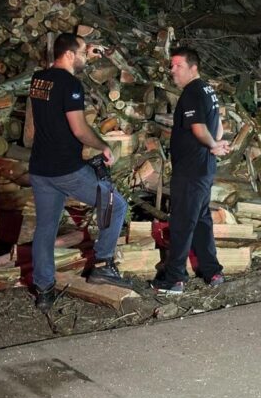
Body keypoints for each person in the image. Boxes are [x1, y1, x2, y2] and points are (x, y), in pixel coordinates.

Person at [28, 33, 131, 314]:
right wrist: (103, 145)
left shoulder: (39, 79)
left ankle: (44, 291)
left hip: (40, 169)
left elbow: (36, 125)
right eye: (84, 53)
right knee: (114, 204)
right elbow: (79, 129)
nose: (87, 57)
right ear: (70, 55)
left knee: (46, 229)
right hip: (66, 170)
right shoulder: (71, 84)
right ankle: (102, 264)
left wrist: (92, 50)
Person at [150, 47, 230, 295]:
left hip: (191, 169)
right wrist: (215, 145)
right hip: (203, 166)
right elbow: (215, 125)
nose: (172, 70)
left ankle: (174, 279)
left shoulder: (192, 93)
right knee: (201, 220)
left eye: (178, 66)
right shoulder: (207, 89)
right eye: (172, 65)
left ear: (193, 67)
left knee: (183, 222)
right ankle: (211, 271)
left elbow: (198, 128)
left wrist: (213, 144)